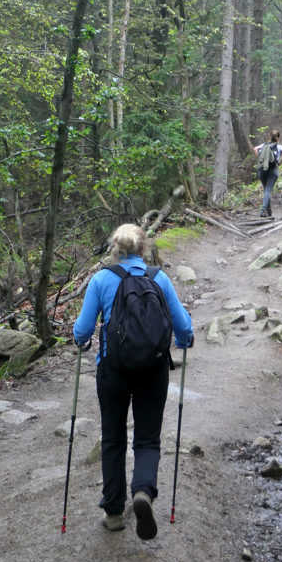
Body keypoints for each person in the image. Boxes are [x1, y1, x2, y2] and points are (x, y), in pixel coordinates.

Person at [73, 224, 194, 540]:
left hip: (112, 371)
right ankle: (143, 491)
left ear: (115, 249)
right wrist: (185, 340)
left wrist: (82, 340)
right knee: (147, 438)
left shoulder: (101, 279)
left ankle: (113, 512)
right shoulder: (159, 279)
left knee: (112, 439)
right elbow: (183, 327)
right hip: (153, 370)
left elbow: (82, 331)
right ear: (144, 250)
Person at [253, 129, 282, 217]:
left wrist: (260, 160)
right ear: (278, 138)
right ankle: (263, 209)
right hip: (273, 170)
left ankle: (268, 210)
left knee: (266, 190)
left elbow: (255, 149)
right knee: (268, 190)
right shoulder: (278, 146)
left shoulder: (263, 145)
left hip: (262, 170)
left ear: (269, 137)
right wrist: (279, 162)